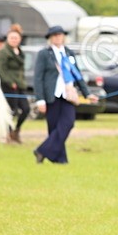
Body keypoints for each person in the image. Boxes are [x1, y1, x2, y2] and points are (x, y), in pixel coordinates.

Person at [32, 25, 96, 164]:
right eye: (54, 35)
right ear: (50, 38)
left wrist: (87, 94)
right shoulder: (44, 54)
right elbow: (38, 78)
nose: (57, 37)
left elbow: (77, 74)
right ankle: (60, 159)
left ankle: (42, 150)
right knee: (54, 127)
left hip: (68, 95)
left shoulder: (69, 53)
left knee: (68, 123)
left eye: (60, 35)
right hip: (52, 95)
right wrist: (40, 100)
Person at [0, 24, 30, 144]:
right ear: (8, 39)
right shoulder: (3, 52)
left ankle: (16, 131)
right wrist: (10, 82)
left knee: (26, 109)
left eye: (16, 38)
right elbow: (1, 69)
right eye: (12, 38)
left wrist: (20, 82)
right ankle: (8, 133)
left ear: (20, 39)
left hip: (19, 85)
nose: (14, 40)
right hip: (8, 86)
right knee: (11, 110)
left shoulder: (20, 52)